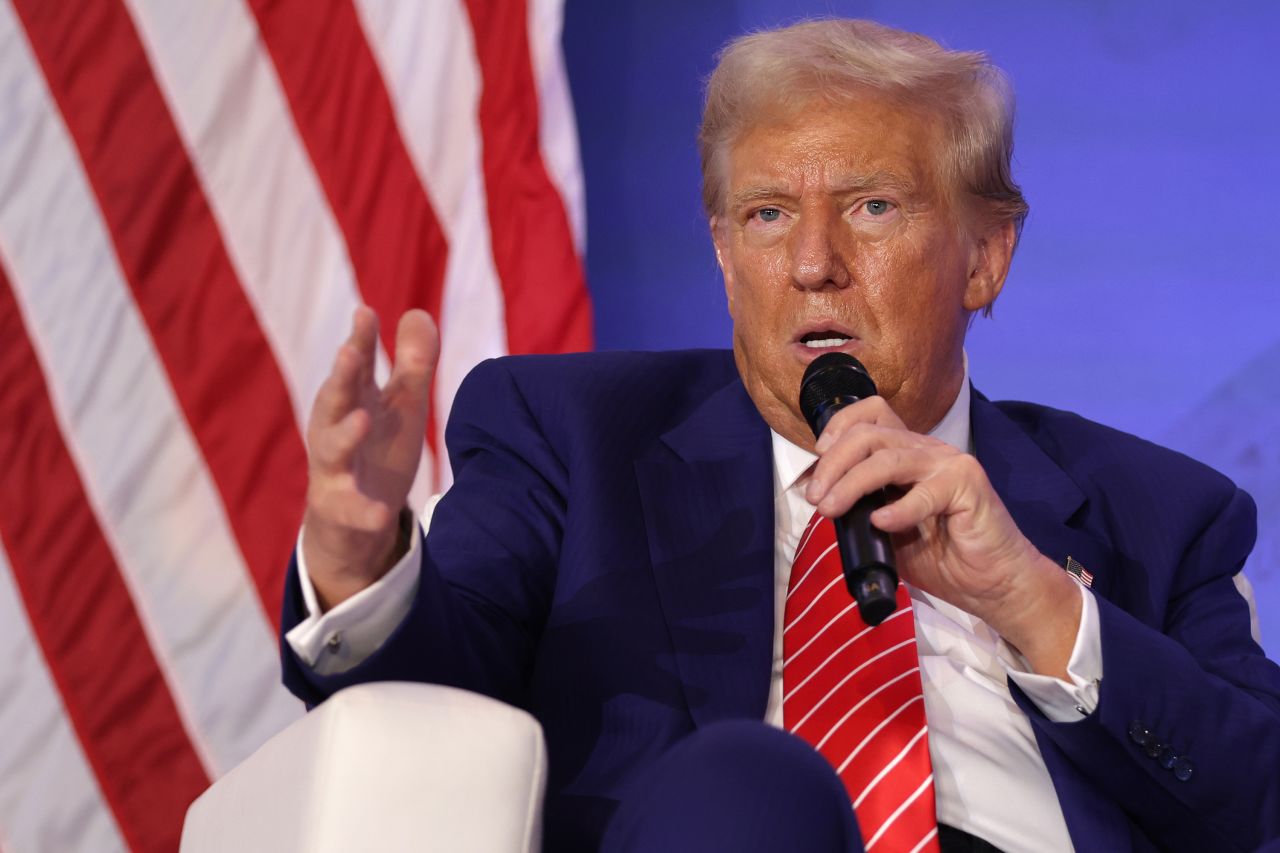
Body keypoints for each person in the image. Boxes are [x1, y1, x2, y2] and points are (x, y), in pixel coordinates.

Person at [280, 18, 1280, 853]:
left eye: (871, 207)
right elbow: (422, 706)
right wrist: (356, 559)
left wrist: (1032, 601)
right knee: (742, 789)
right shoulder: (570, 438)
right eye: (764, 216)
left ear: (983, 257)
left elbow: (1258, 799)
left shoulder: (1157, 512)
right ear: (722, 254)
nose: (811, 264)